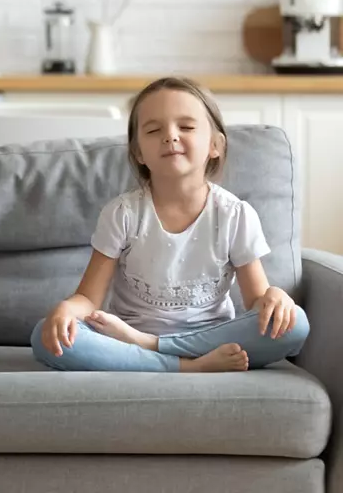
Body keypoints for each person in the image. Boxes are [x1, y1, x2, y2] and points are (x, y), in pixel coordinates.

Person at [32, 76, 309, 373]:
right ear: (138, 152)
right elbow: (88, 298)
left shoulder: (235, 214)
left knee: (296, 325)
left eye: (186, 127)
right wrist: (67, 309)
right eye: (154, 130)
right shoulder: (122, 213)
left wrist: (274, 297)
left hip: (199, 338)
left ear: (215, 145)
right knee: (44, 336)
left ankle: (152, 348)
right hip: (127, 337)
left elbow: (257, 301)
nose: (170, 136)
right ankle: (187, 366)